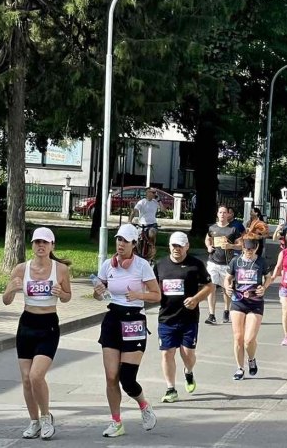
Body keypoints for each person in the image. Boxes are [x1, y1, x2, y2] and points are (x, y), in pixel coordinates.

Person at [92, 224, 161, 438]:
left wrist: (139, 296)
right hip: (112, 319)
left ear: (133, 244)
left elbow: (157, 295)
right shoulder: (107, 265)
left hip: (134, 321)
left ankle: (143, 406)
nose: (120, 244)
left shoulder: (142, 266)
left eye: (125, 241)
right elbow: (99, 294)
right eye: (118, 239)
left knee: (127, 378)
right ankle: (116, 422)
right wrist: (98, 292)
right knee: (111, 376)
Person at [2, 227, 72, 440]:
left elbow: (68, 296)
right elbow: (6, 300)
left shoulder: (60, 270)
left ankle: (46, 417)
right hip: (26, 324)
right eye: (37, 242)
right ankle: (34, 422)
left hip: (48, 324)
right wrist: (11, 290)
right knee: (25, 379)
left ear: (52, 246)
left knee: (36, 375)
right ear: (32, 245)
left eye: (45, 243)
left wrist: (62, 293)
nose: (40, 246)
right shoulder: (21, 269)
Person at [154, 232, 214, 403]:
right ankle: (171, 388)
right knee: (167, 353)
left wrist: (196, 299)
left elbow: (209, 286)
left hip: (189, 318)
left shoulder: (195, 265)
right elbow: (154, 288)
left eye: (180, 246)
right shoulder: (161, 265)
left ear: (187, 246)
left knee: (187, 354)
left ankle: (188, 372)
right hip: (166, 317)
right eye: (174, 245)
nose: (176, 249)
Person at [223, 237, 272, 380]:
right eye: (246, 249)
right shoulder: (235, 261)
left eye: (251, 249)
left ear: (256, 248)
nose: (248, 251)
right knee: (238, 337)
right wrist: (227, 287)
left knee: (249, 339)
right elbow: (228, 278)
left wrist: (264, 287)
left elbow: (268, 277)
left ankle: (251, 359)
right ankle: (239, 368)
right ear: (242, 248)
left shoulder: (261, 262)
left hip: (255, 302)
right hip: (238, 301)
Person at [204, 205, 242, 325]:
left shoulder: (233, 230)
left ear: (228, 215)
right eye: (220, 212)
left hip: (227, 263)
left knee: (226, 289)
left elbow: (241, 245)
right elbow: (207, 239)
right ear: (217, 214)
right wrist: (209, 246)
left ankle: (226, 310)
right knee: (211, 287)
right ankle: (211, 314)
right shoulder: (212, 228)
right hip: (213, 262)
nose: (222, 215)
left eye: (224, 213)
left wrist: (231, 246)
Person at [130, 187, 163, 260]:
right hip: (142, 225)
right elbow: (135, 211)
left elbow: (163, 210)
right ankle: (136, 255)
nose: (155, 194)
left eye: (155, 193)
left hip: (152, 225)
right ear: (147, 192)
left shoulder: (155, 202)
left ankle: (152, 250)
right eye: (153, 192)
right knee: (137, 239)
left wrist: (159, 200)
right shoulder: (142, 202)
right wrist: (130, 221)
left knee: (152, 233)